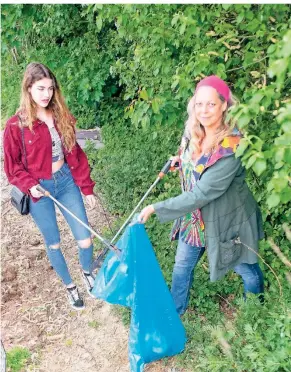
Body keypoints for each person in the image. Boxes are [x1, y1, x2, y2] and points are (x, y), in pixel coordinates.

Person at [138, 75, 264, 315]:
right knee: (182, 265)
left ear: (224, 105)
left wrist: (157, 207)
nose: (204, 111)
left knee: (245, 268)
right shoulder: (194, 131)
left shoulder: (231, 146)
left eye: (211, 104)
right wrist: (181, 160)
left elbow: (202, 192)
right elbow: (193, 158)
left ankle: (256, 311)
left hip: (227, 220)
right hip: (194, 219)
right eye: (199, 104)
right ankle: (174, 312)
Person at [4, 62, 97, 310]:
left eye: (50, 88)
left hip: (65, 181)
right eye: (40, 88)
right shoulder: (16, 125)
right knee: (54, 242)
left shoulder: (61, 116)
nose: (46, 94)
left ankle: (87, 272)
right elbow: (12, 167)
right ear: (29, 89)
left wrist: (86, 187)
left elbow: (75, 153)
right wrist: (30, 185)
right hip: (39, 190)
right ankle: (70, 287)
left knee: (85, 239)